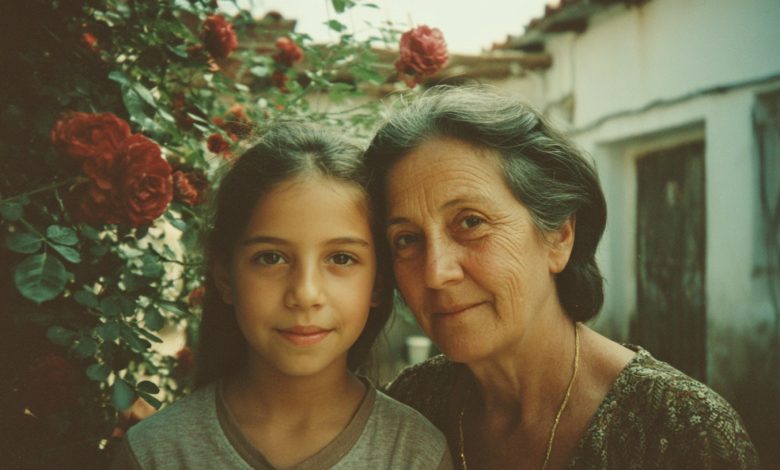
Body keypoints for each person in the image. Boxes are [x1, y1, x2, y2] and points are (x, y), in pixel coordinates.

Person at [365, 86, 759, 469]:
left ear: (559, 236)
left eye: (471, 222)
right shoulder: (413, 407)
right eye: (406, 239)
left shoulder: (682, 434)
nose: (436, 272)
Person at [111, 123, 452, 470]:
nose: (305, 294)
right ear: (224, 277)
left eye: (341, 258)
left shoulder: (413, 453)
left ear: (378, 284)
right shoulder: (156, 454)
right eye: (271, 258)